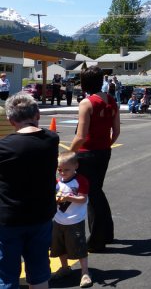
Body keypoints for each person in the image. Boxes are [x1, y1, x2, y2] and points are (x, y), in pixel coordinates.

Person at [0, 93, 58, 289]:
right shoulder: (51, 139)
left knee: (7, 276)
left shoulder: (4, 147)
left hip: (9, 219)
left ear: (10, 120)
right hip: (41, 217)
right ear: (38, 114)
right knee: (39, 272)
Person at [70, 66, 120, 252]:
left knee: (92, 195)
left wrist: (68, 154)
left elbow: (81, 135)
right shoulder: (112, 101)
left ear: (84, 83)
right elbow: (116, 131)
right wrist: (106, 144)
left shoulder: (86, 103)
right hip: (103, 152)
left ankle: (97, 240)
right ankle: (107, 233)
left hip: (86, 153)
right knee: (97, 192)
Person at [50, 152, 92, 288]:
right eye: (60, 170)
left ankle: (85, 272)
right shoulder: (57, 182)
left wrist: (68, 198)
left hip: (75, 221)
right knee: (59, 246)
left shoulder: (80, 180)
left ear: (76, 166)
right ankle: (65, 268)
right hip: (58, 220)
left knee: (79, 247)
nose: (62, 173)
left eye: (66, 169)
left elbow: (83, 199)